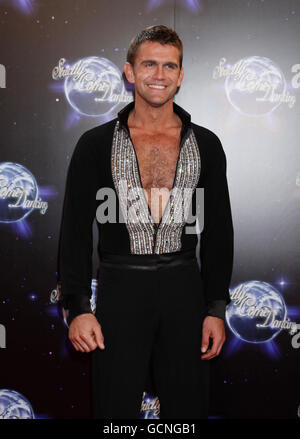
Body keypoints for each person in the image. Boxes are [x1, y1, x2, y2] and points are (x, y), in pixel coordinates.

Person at [58, 25, 234, 419]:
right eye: (149, 64)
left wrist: (216, 308)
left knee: (188, 410)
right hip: (120, 290)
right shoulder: (96, 144)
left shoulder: (206, 144)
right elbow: (73, 231)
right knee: (113, 409)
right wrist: (78, 306)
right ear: (129, 72)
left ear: (181, 75)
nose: (159, 74)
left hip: (185, 289)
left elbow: (219, 232)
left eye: (169, 65)